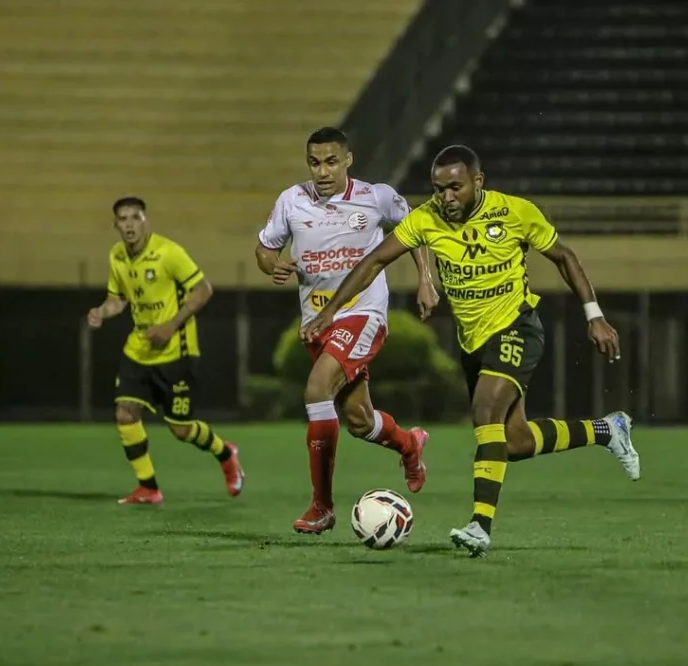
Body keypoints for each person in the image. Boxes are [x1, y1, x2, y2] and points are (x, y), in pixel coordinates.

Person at [300, 144, 640, 557]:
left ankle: (480, 526)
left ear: (478, 182)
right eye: (439, 189)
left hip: (517, 326)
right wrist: (331, 312)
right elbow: (373, 262)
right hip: (474, 342)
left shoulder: (515, 212)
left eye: (455, 188)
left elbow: (564, 257)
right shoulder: (426, 218)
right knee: (514, 442)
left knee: (485, 412)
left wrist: (594, 315)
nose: (446, 198)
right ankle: (607, 430)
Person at [255, 127, 439, 534]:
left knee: (317, 390)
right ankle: (409, 444)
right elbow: (265, 249)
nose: (322, 171)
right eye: (315, 163)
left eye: (331, 161)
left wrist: (426, 278)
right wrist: (274, 265)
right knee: (359, 421)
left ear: (348, 160)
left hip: (362, 314)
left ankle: (322, 507)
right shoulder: (292, 200)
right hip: (315, 323)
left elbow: (418, 229)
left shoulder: (377, 197)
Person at [87, 197, 244, 504]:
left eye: (135, 217)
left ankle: (226, 453)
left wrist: (172, 325)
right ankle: (148, 487)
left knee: (181, 430)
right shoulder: (117, 255)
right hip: (139, 349)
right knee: (125, 414)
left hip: (176, 351)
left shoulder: (168, 252)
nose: (130, 224)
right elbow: (118, 299)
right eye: (123, 219)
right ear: (115, 225)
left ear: (146, 221)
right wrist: (101, 312)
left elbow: (203, 289)